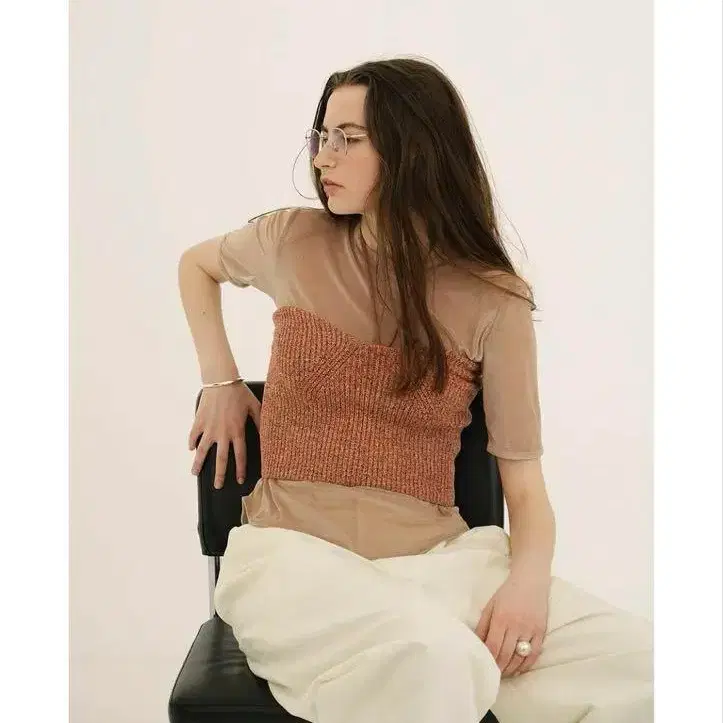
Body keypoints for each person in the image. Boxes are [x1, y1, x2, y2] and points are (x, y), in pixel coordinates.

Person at [178, 58, 653, 723]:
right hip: (291, 560)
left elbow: (525, 492)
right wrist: (221, 380)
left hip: (440, 566)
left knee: (645, 664)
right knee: (436, 658)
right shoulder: (292, 240)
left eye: (348, 138)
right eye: (322, 136)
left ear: (412, 151)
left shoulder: (494, 299)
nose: (323, 156)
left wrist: (526, 586)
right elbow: (196, 264)